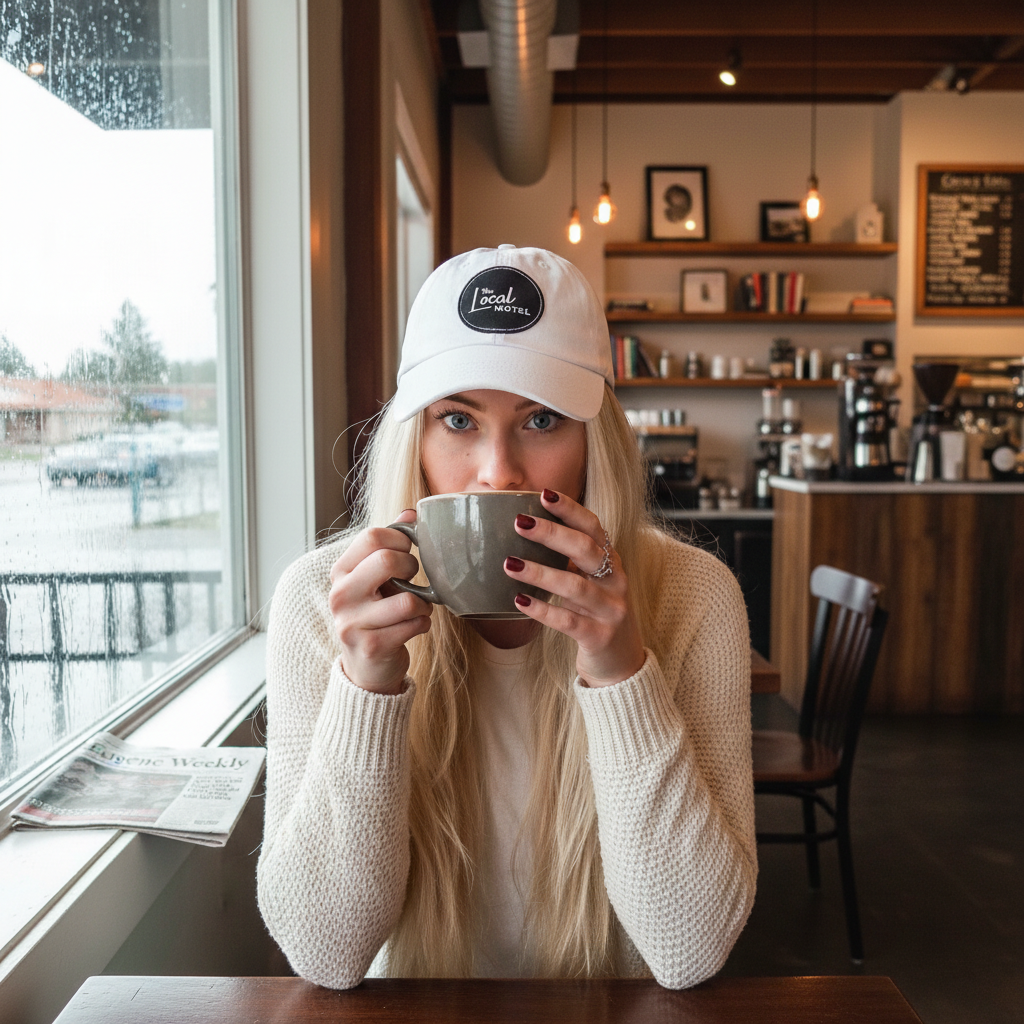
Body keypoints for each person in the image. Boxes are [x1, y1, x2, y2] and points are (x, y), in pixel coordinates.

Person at [256, 244, 756, 990]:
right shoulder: (318, 603)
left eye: (542, 419)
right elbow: (325, 953)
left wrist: (622, 672)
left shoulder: (693, 596)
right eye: (457, 419)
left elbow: (691, 948)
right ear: (414, 442)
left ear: (595, 444)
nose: (498, 472)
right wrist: (366, 683)